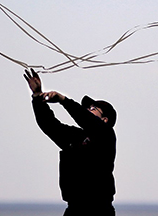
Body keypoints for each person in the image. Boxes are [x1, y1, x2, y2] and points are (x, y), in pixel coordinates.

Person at [24, 68, 117, 216]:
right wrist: (37, 96)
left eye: (93, 108)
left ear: (105, 119)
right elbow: (49, 125)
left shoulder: (106, 134)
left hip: (99, 209)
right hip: (74, 208)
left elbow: (85, 118)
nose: (87, 110)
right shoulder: (77, 136)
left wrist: (63, 100)